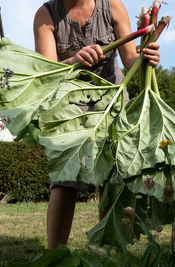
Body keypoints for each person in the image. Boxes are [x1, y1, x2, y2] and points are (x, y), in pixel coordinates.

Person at [33, 0, 160, 249]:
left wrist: (148, 57)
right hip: (71, 106)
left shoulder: (112, 6)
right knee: (65, 179)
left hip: (111, 100)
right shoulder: (45, 15)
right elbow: (46, 72)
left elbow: (131, 60)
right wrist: (73, 61)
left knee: (112, 178)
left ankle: (108, 248)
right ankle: (54, 254)